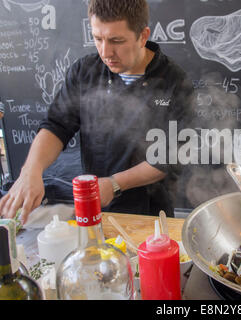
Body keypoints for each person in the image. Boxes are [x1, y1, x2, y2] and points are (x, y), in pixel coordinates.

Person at [0, 0, 194, 224]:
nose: (105, 52)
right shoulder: (85, 72)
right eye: (98, 38)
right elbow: (56, 126)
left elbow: (170, 157)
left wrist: (114, 183)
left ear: (143, 35)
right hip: (95, 206)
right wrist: (30, 171)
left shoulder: (174, 82)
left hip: (150, 212)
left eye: (116, 41)